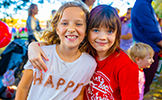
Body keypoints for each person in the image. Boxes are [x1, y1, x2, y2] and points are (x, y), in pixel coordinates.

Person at [27, 5, 139, 99]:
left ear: (117, 33)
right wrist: (33, 46)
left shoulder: (125, 66)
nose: (103, 37)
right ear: (86, 31)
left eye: (110, 31)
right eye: (96, 30)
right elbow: (57, 43)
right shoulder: (84, 52)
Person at [15, 1, 97, 100]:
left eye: (78, 24)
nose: (71, 29)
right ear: (57, 29)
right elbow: (23, 87)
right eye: (65, 23)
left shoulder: (89, 64)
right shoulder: (39, 53)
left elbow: (78, 94)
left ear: (86, 31)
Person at [131, 0, 162, 94]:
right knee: (140, 88)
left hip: (150, 51)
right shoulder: (142, 4)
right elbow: (152, 32)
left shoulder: (145, 4)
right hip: (147, 52)